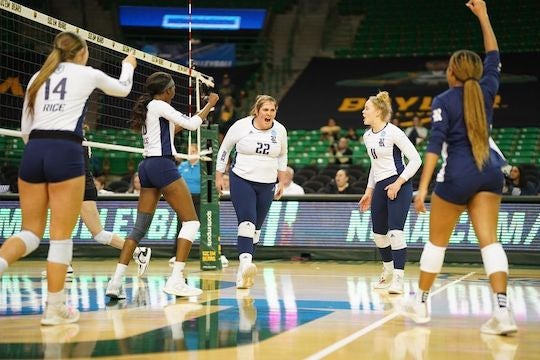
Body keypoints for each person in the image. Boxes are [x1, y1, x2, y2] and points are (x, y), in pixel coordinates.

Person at [0, 31, 136, 326]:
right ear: (82, 52)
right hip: (65, 150)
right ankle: (55, 309)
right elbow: (124, 89)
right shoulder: (87, 73)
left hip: (34, 151)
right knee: (61, 236)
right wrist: (129, 65)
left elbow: (25, 129)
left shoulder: (38, 76)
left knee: (30, 234)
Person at [403, 0, 518, 336]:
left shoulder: (442, 100)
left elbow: (434, 146)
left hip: (458, 175)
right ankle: (502, 312)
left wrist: (422, 188)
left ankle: (422, 303)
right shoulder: (488, 88)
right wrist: (483, 15)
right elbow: (494, 55)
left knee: (437, 242)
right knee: (490, 243)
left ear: (451, 72)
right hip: (489, 172)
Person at [106, 72, 219, 299]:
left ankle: (115, 283)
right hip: (162, 166)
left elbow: (172, 129)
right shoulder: (160, 104)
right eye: (174, 87)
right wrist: (210, 105)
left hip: (147, 167)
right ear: (167, 90)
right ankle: (176, 280)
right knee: (192, 222)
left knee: (139, 228)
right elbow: (191, 125)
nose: (175, 91)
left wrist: (199, 112)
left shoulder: (150, 107)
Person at [42, 145, 151, 278]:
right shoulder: (71, 139)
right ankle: (139, 252)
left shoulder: (72, 141)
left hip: (78, 188)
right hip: (79, 188)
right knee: (92, 234)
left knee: (69, 230)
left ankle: (139, 252)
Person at [215, 95, 288, 289]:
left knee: (256, 229)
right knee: (246, 222)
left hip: (267, 183)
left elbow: (283, 156)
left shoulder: (280, 130)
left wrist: (282, 181)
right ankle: (246, 263)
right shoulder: (241, 126)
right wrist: (219, 175)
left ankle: (243, 271)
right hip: (242, 179)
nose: (269, 114)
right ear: (257, 111)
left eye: (273, 110)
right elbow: (224, 149)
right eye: (266, 110)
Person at [358, 91, 421, 294]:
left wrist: (398, 183)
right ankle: (387, 272)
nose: (363, 111)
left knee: (395, 232)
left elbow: (416, 160)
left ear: (378, 111)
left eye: (366, 108)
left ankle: (399, 280)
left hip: (399, 185)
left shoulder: (394, 132)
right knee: (378, 235)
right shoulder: (367, 136)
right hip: (379, 186)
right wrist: (369, 191)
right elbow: (374, 166)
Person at [169, 143, 229, 267]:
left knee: (208, 227)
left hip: (202, 200)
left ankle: (219, 254)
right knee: (181, 226)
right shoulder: (182, 167)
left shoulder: (203, 167)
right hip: (185, 199)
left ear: (198, 153)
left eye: (193, 151)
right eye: (189, 151)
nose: (191, 154)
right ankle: (177, 255)